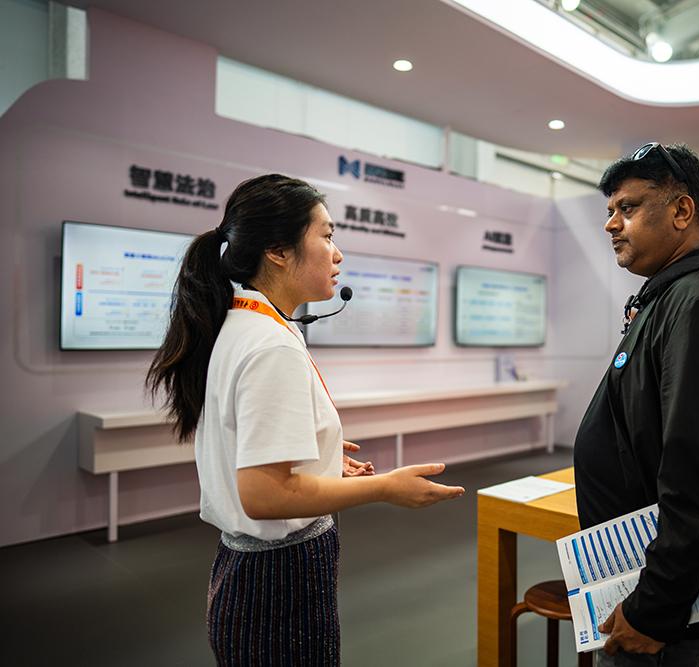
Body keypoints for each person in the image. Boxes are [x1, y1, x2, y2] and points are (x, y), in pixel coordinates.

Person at [147, 174, 464, 666]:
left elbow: (253, 454)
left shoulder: (246, 325)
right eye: (327, 236)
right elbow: (265, 495)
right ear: (278, 251)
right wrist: (385, 488)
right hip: (278, 583)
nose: (338, 254)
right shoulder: (270, 345)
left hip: (253, 575)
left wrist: (320, 459)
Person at [573, 142, 699, 666]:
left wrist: (655, 608)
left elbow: (698, 475)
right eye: (610, 210)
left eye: (628, 207)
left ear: (682, 211)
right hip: (654, 582)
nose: (611, 224)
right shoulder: (675, 295)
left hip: (680, 614)